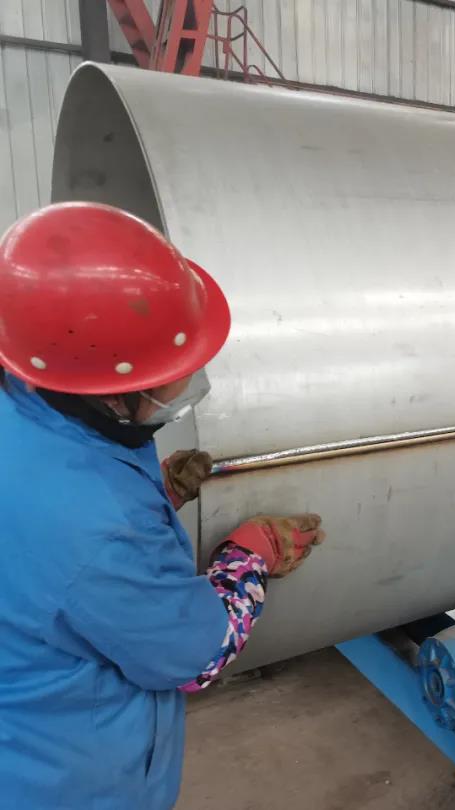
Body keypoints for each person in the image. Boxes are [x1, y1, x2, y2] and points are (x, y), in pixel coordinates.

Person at [0, 202, 326, 809]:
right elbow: (194, 659)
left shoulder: (29, 394)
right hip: (66, 781)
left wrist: (163, 494)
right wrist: (248, 559)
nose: (182, 389)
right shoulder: (97, 530)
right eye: (171, 379)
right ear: (110, 394)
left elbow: (47, 556)